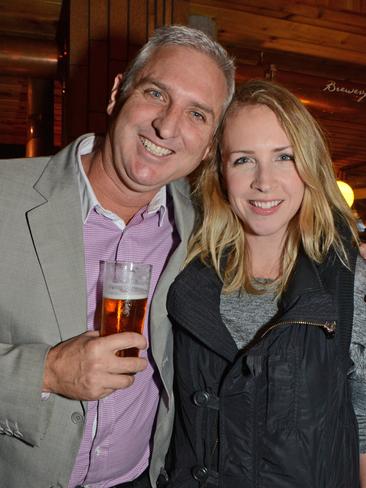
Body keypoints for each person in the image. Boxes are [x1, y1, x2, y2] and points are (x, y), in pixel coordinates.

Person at [0, 25, 235, 488]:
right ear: (117, 93)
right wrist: (44, 372)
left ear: (209, 145)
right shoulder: (5, 196)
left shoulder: (203, 229)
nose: (167, 126)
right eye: (155, 93)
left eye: (197, 114)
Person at [165, 79, 366, 487]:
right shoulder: (180, 269)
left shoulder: (350, 282)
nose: (264, 181)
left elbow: (362, 419)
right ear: (219, 172)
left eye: (284, 157)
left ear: (310, 165)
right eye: (243, 160)